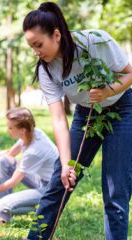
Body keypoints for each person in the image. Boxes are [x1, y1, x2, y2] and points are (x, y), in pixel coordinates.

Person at [22, 2, 132, 239]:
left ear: (57, 35)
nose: (36, 52)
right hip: (86, 114)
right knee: (58, 182)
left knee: (116, 191)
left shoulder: (95, 42)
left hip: (122, 109)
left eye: (38, 45)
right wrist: (66, 164)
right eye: (31, 47)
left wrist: (108, 92)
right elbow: (59, 119)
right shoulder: (46, 70)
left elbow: (129, 73)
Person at [0, 107, 58, 223]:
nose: (8, 130)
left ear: (22, 130)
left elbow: (12, 182)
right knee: (4, 161)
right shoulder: (32, 133)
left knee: (3, 204)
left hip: (52, 189)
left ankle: (47, 209)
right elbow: (9, 154)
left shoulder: (34, 151)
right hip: (41, 180)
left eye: (11, 128)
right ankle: (3, 217)